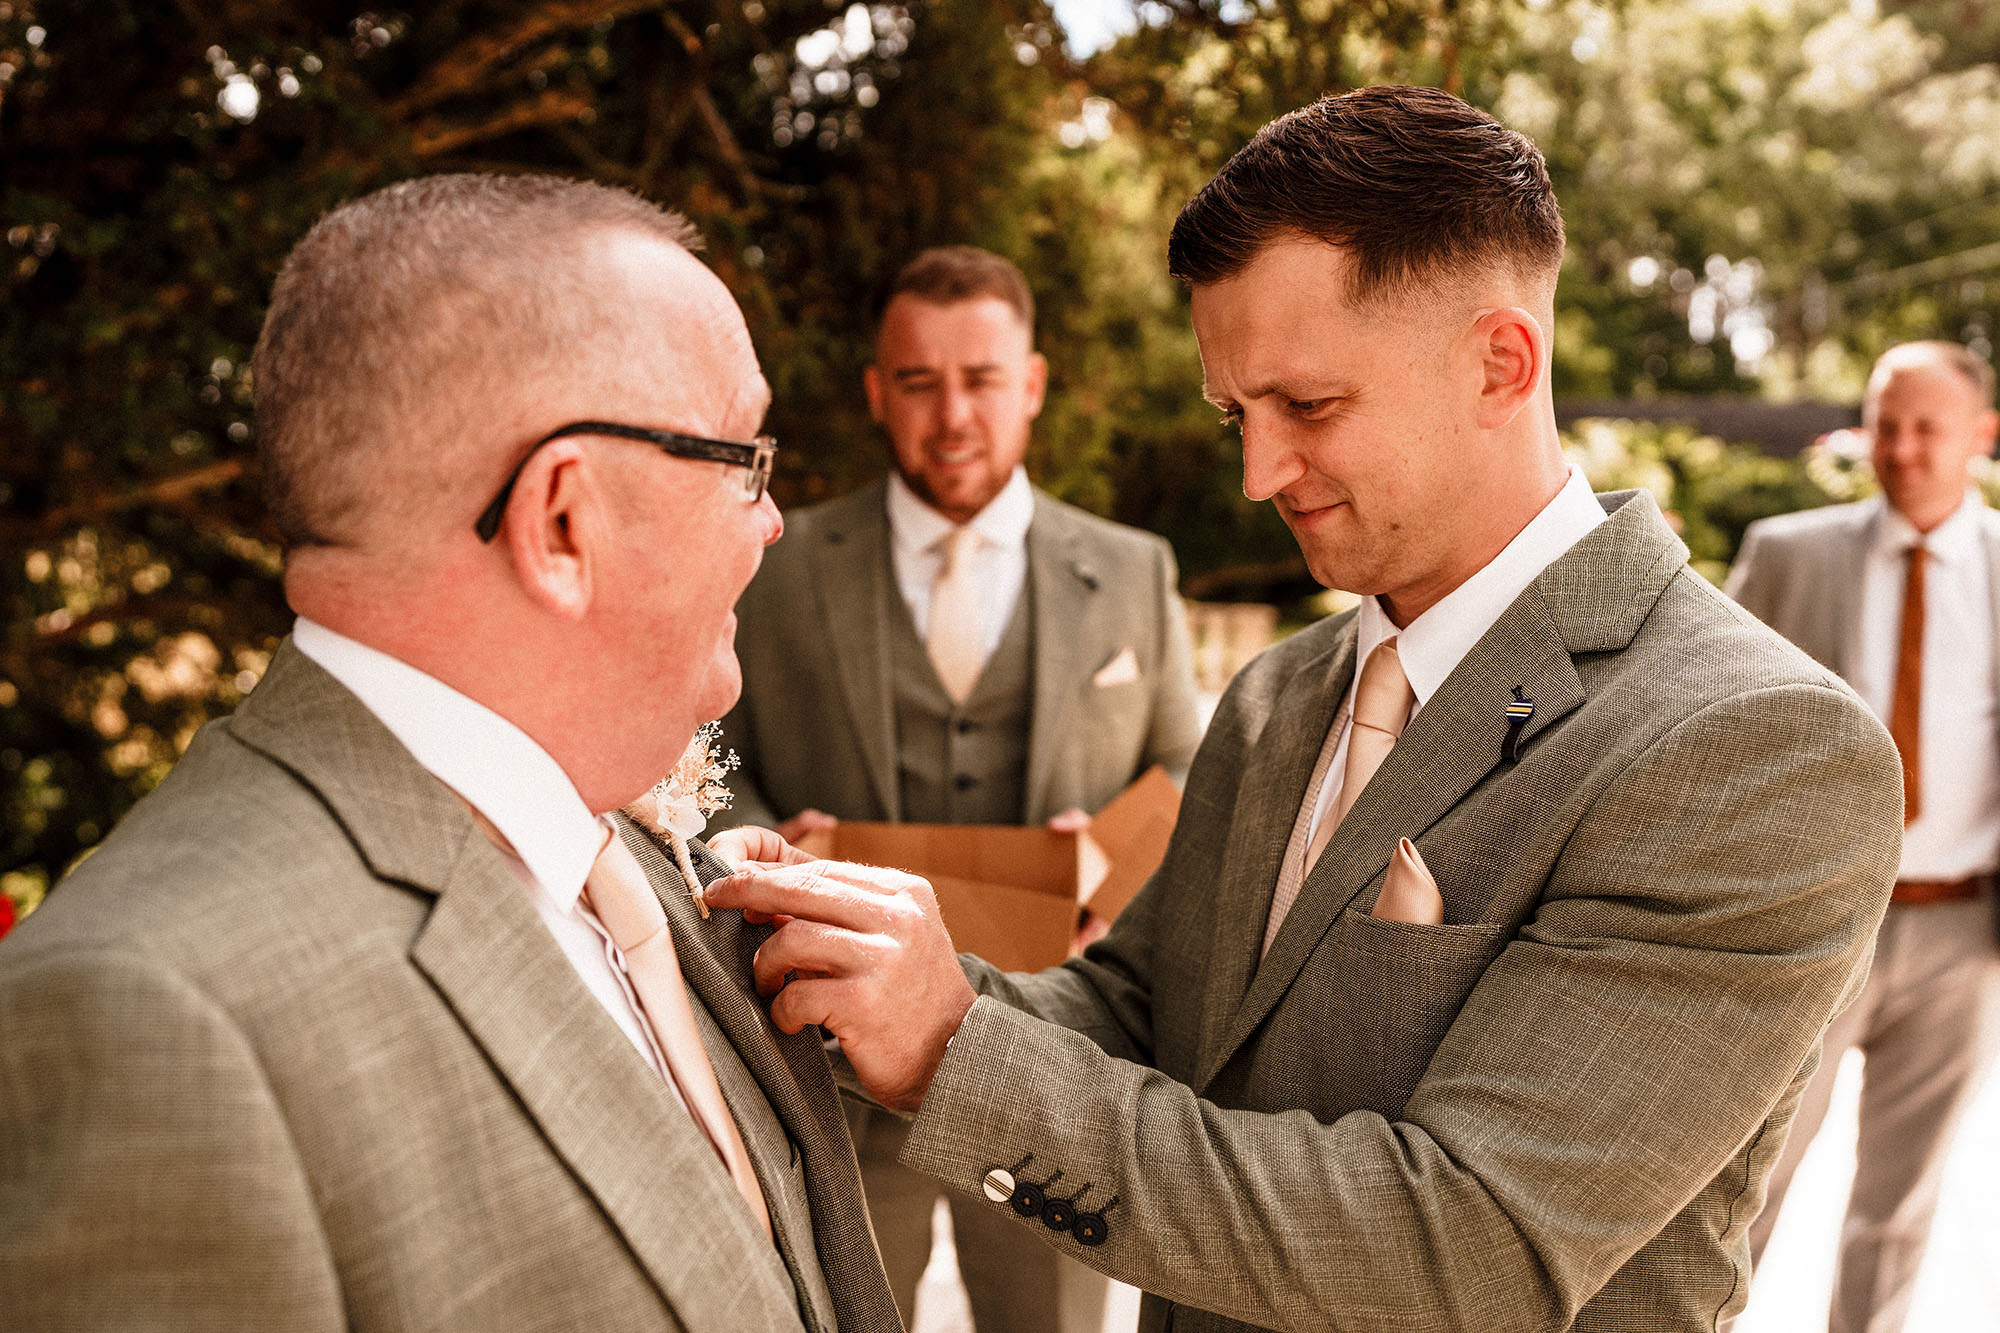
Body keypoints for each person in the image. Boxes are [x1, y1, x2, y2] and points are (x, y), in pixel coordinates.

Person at [703, 87, 1906, 1332]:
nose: (1254, 472)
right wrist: (873, 967)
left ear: (1502, 361)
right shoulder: (1279, 691)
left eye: (1307, 407)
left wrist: (958, 1052)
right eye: (1236, 413)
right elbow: (1136, 1016)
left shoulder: (1754, 748)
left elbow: (1465, 1247)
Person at [0, 174, 899, 1333]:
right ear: (562, 522)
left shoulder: (620, 839)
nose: (770, 517)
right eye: (742, 458)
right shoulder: (155, 1025)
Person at [711, 244, 1203, 1330]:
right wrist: (760, 856)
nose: (952, 416)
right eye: (921, 384)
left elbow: (1183, 765)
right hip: (827, 1073)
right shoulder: (776, 564)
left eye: (979, 380)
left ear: (1029, 385)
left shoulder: (1132, 568)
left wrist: (1108, 859)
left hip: (1050, 1075)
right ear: (878, 394)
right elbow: (704, 757)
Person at [1728, 340, 2000, 1333]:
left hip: (1959, 930)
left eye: (1926, 426)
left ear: (1979, 435)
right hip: (1810, 923)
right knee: (1740, 1175)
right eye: (1885, 423)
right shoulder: (1788, 552)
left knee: (1899, 1200)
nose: (1901, 447)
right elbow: (1711, 728)